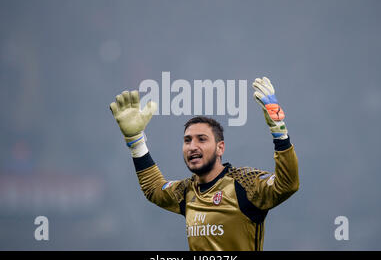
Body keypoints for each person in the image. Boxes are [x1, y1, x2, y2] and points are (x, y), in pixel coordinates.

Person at [109, 76, 299, 250]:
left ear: (220, 148)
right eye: (187, 140)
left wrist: (279, 131)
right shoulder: (186, 191)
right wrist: (136, 141)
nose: (192, 146)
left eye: (201, 139)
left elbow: (287, 184)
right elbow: (154, 188)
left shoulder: (245, 184)